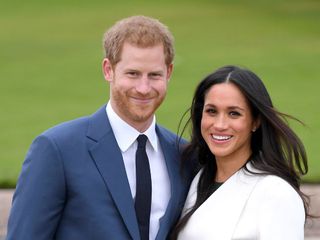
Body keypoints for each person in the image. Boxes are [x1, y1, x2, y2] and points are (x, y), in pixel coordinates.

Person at [7, 15, 193, 240]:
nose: (144, 88)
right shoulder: (57, 149)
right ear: (108, 70)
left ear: (169, 73)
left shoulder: (183, 155)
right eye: (132, 74)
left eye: (154, 75)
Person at [170, 65, 309, 239]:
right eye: (211, 111)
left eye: (234, 113)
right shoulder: (197, 178)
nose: (220, 125)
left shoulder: (276, 193)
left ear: (255, 122)